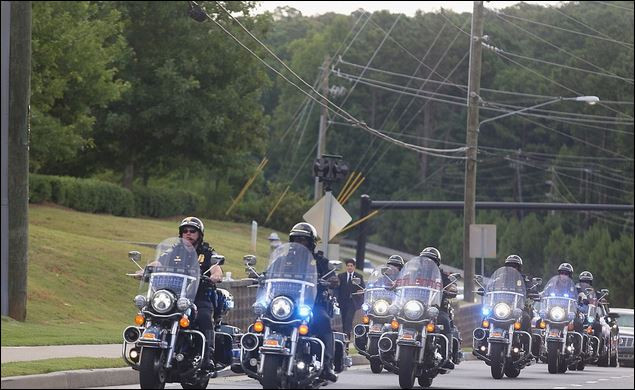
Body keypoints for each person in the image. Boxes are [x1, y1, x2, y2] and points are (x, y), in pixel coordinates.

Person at [289, 222, 339, 383]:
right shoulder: (286, 258)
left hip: (313, 304)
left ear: (311, 243)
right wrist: (262, 276)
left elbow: (334, 277)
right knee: (262, 317)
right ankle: (252, 355)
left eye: (303, 240)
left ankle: (327, 364)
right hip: (287, 303)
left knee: (324, 321)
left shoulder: (320, 261)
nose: (299, 243)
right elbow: (271, 272)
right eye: (296, 240)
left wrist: (331, 280)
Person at [178, 217, 224, 374]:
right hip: (176, 296)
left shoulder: (206, 252)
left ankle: (208, 355)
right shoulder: (174, 251)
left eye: (192, 231)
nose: (188, 234)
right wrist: (146, 269)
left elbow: (216, 268)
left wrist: (216, 275)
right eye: (185, 231)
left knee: (204, 316)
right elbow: (158, 262)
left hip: (199, 296)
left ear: (199, 234)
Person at [419, 247, 456, 369]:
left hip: (436, 309)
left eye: (430, 260)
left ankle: (447, 356)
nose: (427, 262)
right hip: (417, 307)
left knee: (444, 321)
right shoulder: (414, 273)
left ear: (436, 263)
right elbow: (401, 282)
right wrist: (395, 284)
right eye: (425, 259)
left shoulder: (442, 275)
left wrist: (451, 289)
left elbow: (452, 286)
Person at [503, 255, 536, 353]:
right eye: (510, 266)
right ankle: (482, 340)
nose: (512, 268)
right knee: (486, 316)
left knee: (525, 317)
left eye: (515, 266)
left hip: (519, 308)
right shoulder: (500, 278)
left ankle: (526, 346)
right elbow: (491, 286)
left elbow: (532, 288)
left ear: (519, 268)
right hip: (502, 308)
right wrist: (484, 290)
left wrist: (533, 292)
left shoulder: (524, 279)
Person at [337, 258, 365, 339]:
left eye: (351, 266)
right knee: (344, 320)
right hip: (342, 302)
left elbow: (362, 288)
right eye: (348, 266)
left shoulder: (359, 276)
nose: (349, 267)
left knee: (348, 320)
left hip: (352, 302)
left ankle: (347, 338)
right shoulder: (341, 276)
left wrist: (361, 292)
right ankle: (344, 338)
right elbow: (337, 289)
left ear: (354, 267)